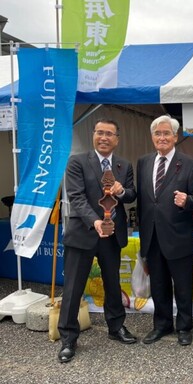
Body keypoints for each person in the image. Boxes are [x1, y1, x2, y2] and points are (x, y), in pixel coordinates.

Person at [57, 119, 137, 363]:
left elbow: (132, 195)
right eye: (100, 132)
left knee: (112, 283)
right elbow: (76, 198)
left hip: (112, 234)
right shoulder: (77, 162)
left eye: (109, 134)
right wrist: (95, 222)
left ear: (117, 139)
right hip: (84, 233)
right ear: (93, 135)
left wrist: (122, 191)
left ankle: (116, 327)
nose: (104, 137)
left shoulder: (124, 165)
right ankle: (69, 338)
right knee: (73, 288)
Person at [137, 115, 193, 346]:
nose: (162, 138)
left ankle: (184, 327)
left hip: (179, 236)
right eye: (157, 133)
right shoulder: (143, 162)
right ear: (152, 137)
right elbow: (144, 202)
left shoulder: (190, 164)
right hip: (152, 237)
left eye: (166, 133)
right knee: (159, 284)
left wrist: (188, 201)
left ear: (175, 137)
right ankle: (161, 325)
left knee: (183, 286)